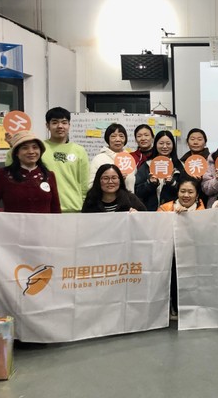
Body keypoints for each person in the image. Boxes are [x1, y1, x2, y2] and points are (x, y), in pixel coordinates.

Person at [4, 107, 89, 213]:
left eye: (64, 122)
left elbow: (84, 183)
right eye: (55, 122)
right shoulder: (38, 148)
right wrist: (13, 147)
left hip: (73, 209)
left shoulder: (79, 151)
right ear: (47, 126)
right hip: (45, 209)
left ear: (69, 125)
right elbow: (12, 167)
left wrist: (84, 206)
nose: (60, 126)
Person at [157, 177, 205, 320]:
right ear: (177, 192)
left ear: (197, 195)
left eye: (190, 192)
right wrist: (175, 217)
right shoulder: (165, 209)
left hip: (196, 257)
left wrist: (188, 217)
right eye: (182, 191)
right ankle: (174, 307)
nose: (186, 195)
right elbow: (158, 232)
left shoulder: (204, 212)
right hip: (171, 256)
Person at [135, 131, 185, 211]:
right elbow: (138, 192)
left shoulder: (180, 166)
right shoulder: (147, 165)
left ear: (173, 145)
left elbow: (186, 190)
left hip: (174, 211)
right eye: (161, 143)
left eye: (168, 143)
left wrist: (173, 183)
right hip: (150, 212)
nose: (165, 146)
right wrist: (150, 183)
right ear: (155, 145)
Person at [89, 123, 136, 192]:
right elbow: (91, 186)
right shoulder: (99, 159)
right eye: (113, 136)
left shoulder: (129, 159)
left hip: (128, 198)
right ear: (107, 139)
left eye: (121, 136)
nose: (118, 139)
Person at [81, 164, 146, 212]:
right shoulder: (91, 200)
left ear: (120, 180)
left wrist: (137, 216)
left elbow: (145, 219)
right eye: (106, 178)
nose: (110, 182)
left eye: (114, 178)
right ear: (98, 180)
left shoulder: (130, 199)